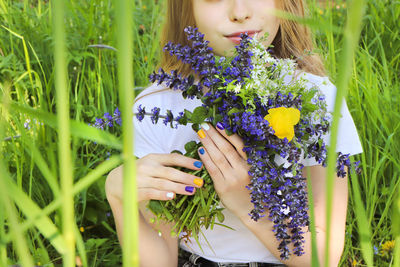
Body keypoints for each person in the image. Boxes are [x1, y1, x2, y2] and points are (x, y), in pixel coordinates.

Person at [105, 0, 363, 266]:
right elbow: (159, 261)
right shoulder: (156, 108)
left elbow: (323, 259)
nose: (240, 12)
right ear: (185, 7)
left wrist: (253, 207)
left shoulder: (316, 100)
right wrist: (119, 196)